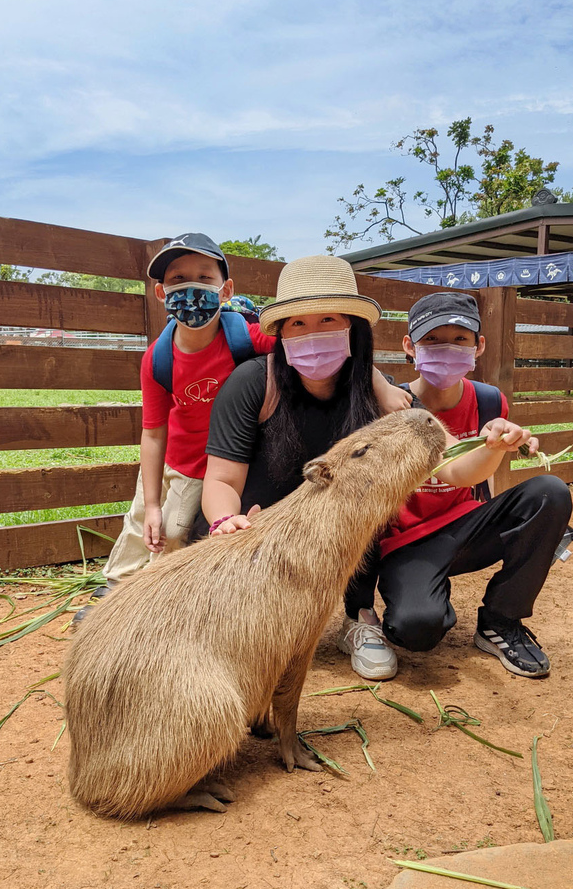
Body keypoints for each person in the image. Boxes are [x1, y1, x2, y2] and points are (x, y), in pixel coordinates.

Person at [200, 259, 530, 680]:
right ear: (280, 333)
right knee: (248, 644)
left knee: (371, 501)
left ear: (352, 328)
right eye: (296, 323)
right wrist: (227, 522)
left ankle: (359, 616)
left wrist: (492, 446)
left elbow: (451, 467)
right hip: (257, 530)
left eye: (327, 319)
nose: (312, 333)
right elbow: (222, 479)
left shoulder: (384, 396)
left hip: (341, 535)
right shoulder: (251, 383)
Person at [83, 240, 408, 619]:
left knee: (173, 533)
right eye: (178, 280)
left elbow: (314, 344)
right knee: (143, 522)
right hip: (181, 460)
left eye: (205, 278)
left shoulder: (244, 336)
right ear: (160, 292)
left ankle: (160, 597)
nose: (192, 289)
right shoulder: (158, 357)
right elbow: (153, 432)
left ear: (227, 289)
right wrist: (152, 501)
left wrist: (378, 381)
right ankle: (115, 588)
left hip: (219, 460)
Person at [343, 291, 573, 681]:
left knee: (549, 492)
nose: (445, 349)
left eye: (459, 339)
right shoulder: (390, 403)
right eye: (431, 340)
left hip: (465, 526)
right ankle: (413, 598)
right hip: (406, 541)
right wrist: (490, 447)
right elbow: (453, 467)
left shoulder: (488, 400)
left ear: (478, 346)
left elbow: (473, 475)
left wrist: (499, 442)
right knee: (418, 629)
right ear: (409, 347)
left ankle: (501, 620)